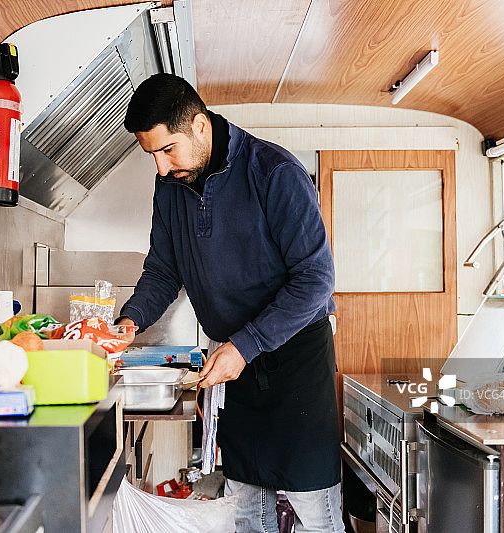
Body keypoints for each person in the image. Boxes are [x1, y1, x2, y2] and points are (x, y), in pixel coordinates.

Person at [116, 73, 345, 533]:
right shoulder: (171, 186)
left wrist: (245, 346)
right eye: (152, 155)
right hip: (236, 362)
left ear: (200, 125)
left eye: (167, 150)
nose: (161, 167)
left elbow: (316, 279)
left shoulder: (274, 172)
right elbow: (163, 269)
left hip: (296, 362)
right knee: (245, 507)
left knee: (315, 513)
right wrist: (129, 320)